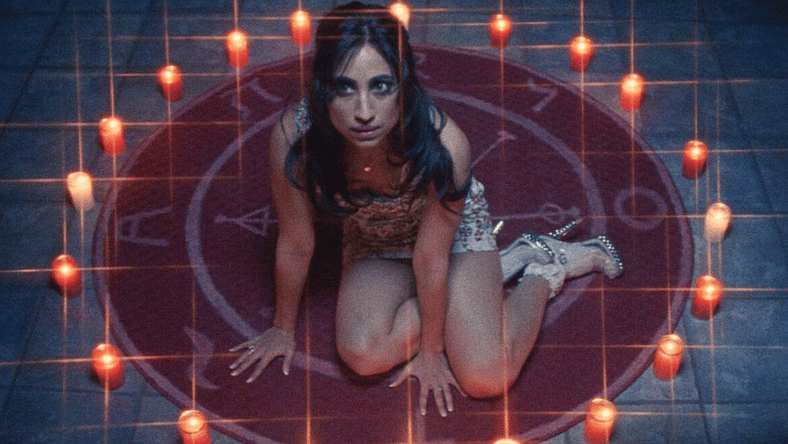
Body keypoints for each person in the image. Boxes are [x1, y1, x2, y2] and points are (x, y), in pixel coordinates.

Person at [229, 2, 623, 417]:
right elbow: (295, 242)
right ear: (322, 87)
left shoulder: (446, 146)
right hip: (375, 240)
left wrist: (432, 350)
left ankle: (543, 268)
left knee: (486, 375)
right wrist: (283, 328)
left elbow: (432, 258)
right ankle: (503, 268)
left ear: (404, 84)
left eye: (381, 86)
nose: (364, 112)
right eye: (344, 88)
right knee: (363, 354)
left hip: (451, 245)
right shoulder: (295, 136)